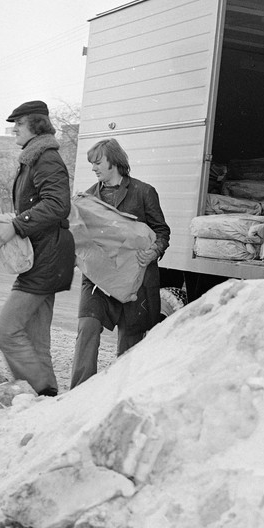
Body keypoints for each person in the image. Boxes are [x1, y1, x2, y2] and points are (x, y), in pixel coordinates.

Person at [0, 100, 75, 397]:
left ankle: (36, 392)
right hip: (42, 253)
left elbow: (57, 205)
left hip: (45, 256)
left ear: (35, 126)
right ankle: (45, 402)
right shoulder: (35, 157)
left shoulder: (45, 159)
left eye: (19, 124)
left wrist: (16, 226)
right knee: (36, 340)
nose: (14, 130)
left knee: (7, 331)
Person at [70, 138, 170, 389]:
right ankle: (79, 393)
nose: (93, 168)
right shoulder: (89, 197)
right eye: (91, 163)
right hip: (97, 282)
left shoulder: (143, 192)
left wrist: (153, 251)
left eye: (97, 162)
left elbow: (162, 231)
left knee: (130, 341)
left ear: (114, 161)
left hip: (134, 281)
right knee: (87, 327)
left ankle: (122, 393)